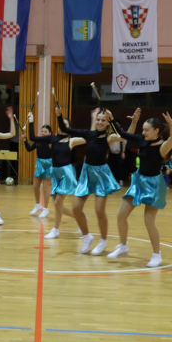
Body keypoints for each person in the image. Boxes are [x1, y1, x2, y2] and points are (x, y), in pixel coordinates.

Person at [106, 110, 172, 268]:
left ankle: (157, 255)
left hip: (154, 185)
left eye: (146, 130)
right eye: (142, 129)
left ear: (156, 131)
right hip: (138, 182)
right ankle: (123, 246)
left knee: (148, 221)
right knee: (120, 215)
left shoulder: (163, 146)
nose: (143, 132)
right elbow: (121, 133)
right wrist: (111, 120)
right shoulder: (141, 140)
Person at [58, 106, 127, 255]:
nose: (100, 122)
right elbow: (64, 128)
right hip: (87, 173)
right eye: (98, 120)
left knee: (99, 210)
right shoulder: (88, 134)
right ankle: (87, 236)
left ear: (107, 123)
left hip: (101, 175)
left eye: (103, 120)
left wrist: (127, 121)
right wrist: (59, 115)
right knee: (76, 208)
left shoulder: (109, 137)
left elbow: (126, 135)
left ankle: (103, 240)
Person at [33, 116, 86, 240]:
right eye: (62, 124)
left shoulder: (72, 140)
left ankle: (55, 230)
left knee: (58, 202)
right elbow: (34, 138)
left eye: (66, 124)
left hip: (66, 172)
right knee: (58, 206)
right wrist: (31, 121)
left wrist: (94, 121)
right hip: (55, 172)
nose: (63, 126)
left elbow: (88, 137)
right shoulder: (53, 139)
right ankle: (81, 218)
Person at [24, 110, 53, 218]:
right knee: (35, 186)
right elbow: (29, 149)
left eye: (46, 131)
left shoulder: (50, 141)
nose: (43, 133)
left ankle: (45, 209)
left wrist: (31, 121)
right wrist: (25, 140)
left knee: (46, 188)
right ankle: (37, 205)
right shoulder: (38, 141)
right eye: (42, 131)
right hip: (39, 163)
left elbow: (33, 136)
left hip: (48, 164)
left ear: (50, 133)